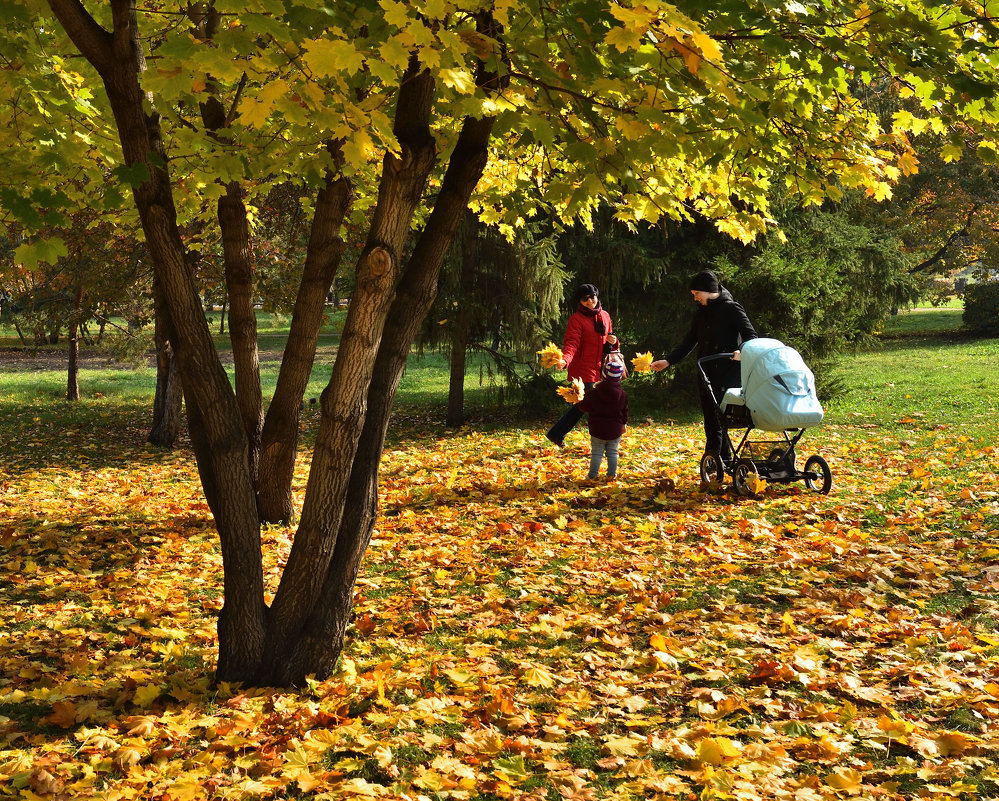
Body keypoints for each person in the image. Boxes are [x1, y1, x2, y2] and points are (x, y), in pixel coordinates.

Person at [651, 270, 758, 457]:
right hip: (706, 373)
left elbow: (751, 335)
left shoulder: (732, 309)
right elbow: (689, 342)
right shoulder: (700, 315)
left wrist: (742, 351)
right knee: (711, 420)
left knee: (720, 419)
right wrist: (668, 361)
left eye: (696, 294)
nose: (694, 298)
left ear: (707, 290)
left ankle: (714, 458)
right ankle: (721, 459)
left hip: (727, 373)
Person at [546, 283, 617, 448]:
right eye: (585, 299)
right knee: (591, 403)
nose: (590, 301)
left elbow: (610, 339)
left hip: (600, 366)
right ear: (580, 302)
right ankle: (603, 438)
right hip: (583, 367)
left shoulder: (605, 315)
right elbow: (572, 343)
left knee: (583, 405)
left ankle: (556, 433)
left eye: (592, 296)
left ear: (597, 296)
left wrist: (613, 341)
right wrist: (565, 360)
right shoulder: (576, 319)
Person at [577, 355, 628, 480]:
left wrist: (578, 400)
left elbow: (584, 407)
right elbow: (624, 411)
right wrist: (624, 424)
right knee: (613, 453)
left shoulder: (593, 393)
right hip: (615, 430)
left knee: (597, 453)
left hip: (597, 429)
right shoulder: (623, 395)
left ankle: (593, 475)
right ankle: (612, 475)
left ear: (603, 376)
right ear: (620, 378)